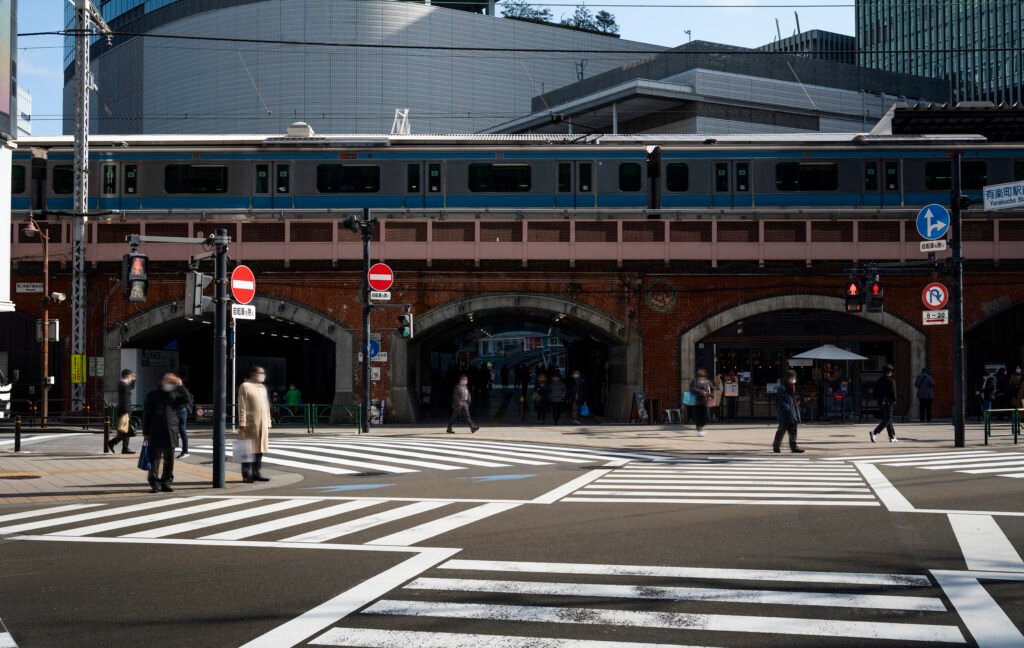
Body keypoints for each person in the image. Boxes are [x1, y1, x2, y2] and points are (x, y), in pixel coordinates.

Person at [142, 373, 189, 493]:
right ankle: (154, 482)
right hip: (155, 430)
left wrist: (180, 385)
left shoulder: (175, 395)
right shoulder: (152, 395)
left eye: (172, 383)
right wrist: (146, 433)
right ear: (163, 382)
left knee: (169, 458)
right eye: (169, 382)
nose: (171, 384)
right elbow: (146, 414)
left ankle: (166, 481)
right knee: (155, 458)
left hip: (171, 430)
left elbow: (187, 400)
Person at [237, 366, 272, 483]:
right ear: (253, 373)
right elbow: (242, 405)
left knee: (260, 448)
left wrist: (268, 421)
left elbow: (266, 406)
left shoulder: (263, 387)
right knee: (246, 448)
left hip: (262, 423)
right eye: (260, 373)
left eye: (263, 373)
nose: (262, 375)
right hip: (250, 423)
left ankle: (256, 472)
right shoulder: (245, 386)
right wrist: (242, 421)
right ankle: (246, 474)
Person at [773, 370, 805, 453]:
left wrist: (796, 405)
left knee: (793, 431)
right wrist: (788, 409)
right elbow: (781, 401)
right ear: (789, 377)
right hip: (786, 413)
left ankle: (794, 447)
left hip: (793, 412)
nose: (794, 379)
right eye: (793, 377)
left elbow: (791, 399)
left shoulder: (791, 386)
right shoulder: (782, 388)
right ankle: (776, 446)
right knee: (781, 430)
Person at [109, 369, 137, 455]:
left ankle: (124, 448)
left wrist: (133, 380)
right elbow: (129, 389)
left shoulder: (124, 384)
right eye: (130, 376)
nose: (131, 378)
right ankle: (113, 443)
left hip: (125, 409)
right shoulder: (122, 384)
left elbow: (131, 387)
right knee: (126, 430)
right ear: (127, 376)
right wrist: (126, 411)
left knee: (126, 429)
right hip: (124, 409)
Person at [871, 364, 898, 443]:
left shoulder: (879, 380)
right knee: (887, 419)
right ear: (890, 372)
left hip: (881, 402)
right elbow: (893, 392)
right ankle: (874, 432)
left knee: (888, 419)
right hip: (889, 402)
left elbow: (875, 392)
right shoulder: (891, 380)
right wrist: (894, 400)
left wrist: (878, 400)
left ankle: (892, 436)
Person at [171, 375, 194, 459]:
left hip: (179, 411)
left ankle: (183, 451)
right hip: (181, 411)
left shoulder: (179, 390)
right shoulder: (182, 389)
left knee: (178, 431)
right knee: (180, 431)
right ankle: (184, 451)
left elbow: (186, 399)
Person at [688, 368, 713, 437]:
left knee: (706, 416)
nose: (701, 378)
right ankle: (700, 429)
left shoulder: (708, 382)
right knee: (698, 416)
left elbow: (712, 389)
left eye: (703, 376)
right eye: (700, 376)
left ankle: (701, 426)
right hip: (697, 401)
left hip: (705, 401)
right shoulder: (695, 381)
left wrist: (711, 394)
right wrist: (701, 392)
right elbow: (692, 389)